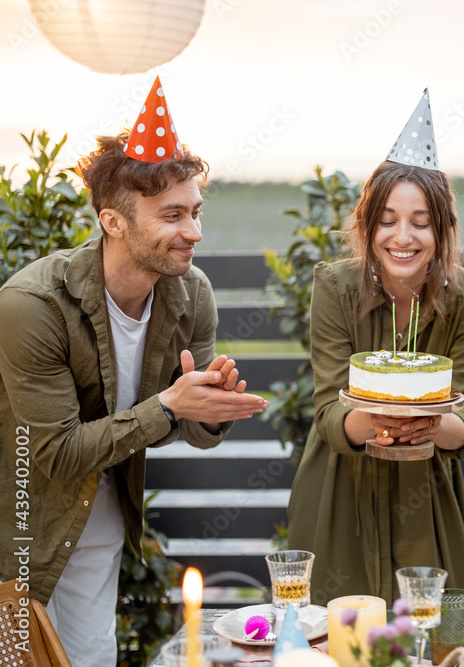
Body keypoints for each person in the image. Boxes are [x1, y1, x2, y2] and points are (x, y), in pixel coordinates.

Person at [0, 79, 268, 667]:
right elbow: (59, 454)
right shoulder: (33, 304)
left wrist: (209, 412)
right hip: (20, 534)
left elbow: (180, 426)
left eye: (195, 212)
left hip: (99, 531)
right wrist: (171, 405)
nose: (194, 233)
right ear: (113, 223)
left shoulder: (190, 293)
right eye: (172, 215)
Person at [287, 92, 464, 606]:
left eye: (421, 222)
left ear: (441, 229)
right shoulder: (334, 286)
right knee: (338, 641)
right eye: (388, 220)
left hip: (427, 496)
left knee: (433, 638)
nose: (403, 237)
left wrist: (426, 423)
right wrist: (382, 421)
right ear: (367, 223)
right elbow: (332, 414)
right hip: (340, 493)